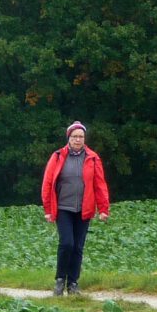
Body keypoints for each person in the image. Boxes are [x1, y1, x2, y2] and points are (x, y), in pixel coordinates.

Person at [41, 121, 110, 295]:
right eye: (74, 136)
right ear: (69, 138)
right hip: (63, 207)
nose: (78, 139)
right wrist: (48, 210)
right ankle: (59, 280)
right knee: (67, 243)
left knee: (78, 247)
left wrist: (103, 208)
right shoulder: (57, 157)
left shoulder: (92, 158)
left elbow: (100, 184)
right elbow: (48, 183)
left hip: (84, 209)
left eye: (81, 136)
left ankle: (73, 283)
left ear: (84, 139)